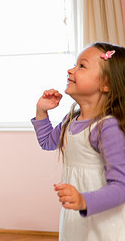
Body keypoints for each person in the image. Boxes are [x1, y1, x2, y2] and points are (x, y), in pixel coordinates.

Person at [31, 42, 125, 240]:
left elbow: (122, 186)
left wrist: (84, 200)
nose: (70, 70)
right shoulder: (71, 119)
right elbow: (48, 142)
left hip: (103, 217)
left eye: (81, 66)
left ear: (105, 83)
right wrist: (41, 111)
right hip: (77, 214)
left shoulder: (107, 127)